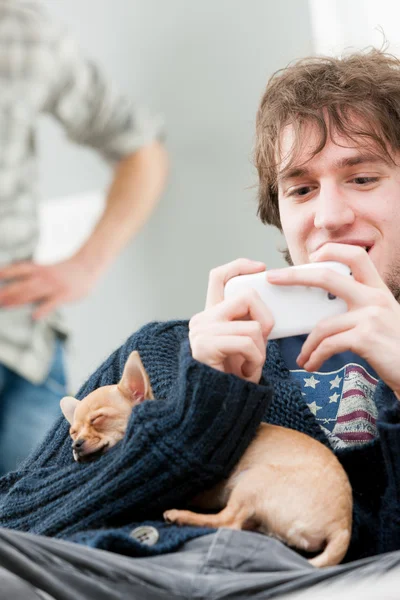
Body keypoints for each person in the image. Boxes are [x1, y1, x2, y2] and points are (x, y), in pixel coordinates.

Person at [0, 47, 399, 600]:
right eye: (301, 189)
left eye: (361, 178)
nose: (328, 216)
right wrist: (201, 403)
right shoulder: (165, 355)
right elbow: (17, 522)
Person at [0, 1, 168, 474]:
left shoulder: (24, 34)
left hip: (21, 351)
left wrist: (86, 264)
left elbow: (141, 149)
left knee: (54, 530)